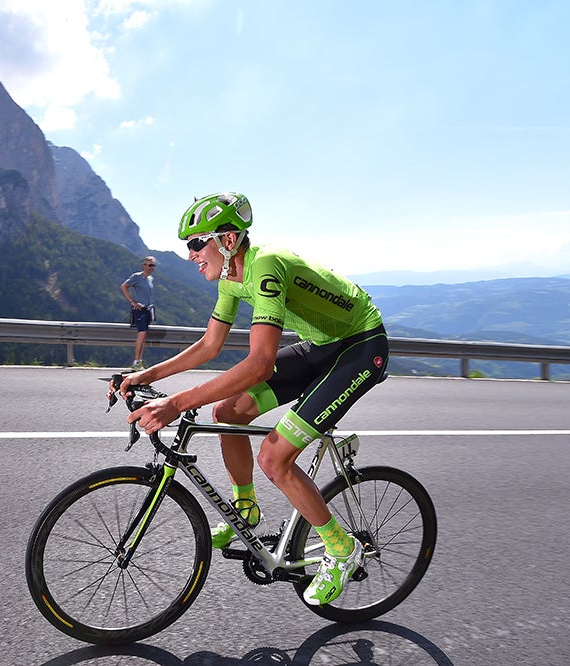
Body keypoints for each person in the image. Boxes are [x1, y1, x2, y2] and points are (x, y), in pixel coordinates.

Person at [114, 192, 388, 606]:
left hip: (361, 347)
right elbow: (209, 346)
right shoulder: (229, 277)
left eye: (194, 243)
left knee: (274, 458)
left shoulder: (264, 266)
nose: (189, 255)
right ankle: (246, 508)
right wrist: (146, 374)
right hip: (320, 345)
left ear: (226, 240)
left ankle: (342, 548)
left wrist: (175, 403)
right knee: (227, 412)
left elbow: (259, 364)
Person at [120, 256, 157, 371]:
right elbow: (123, 287)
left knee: (144, 335)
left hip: (148, 310)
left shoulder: (150, 278)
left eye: (153, 266)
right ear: (144, 265)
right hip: (139, 309)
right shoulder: (137, 277)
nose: (152, 268)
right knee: (142, 334)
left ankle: (139, 362)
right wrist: (132, 301)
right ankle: (136, 362)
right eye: (150, 265)